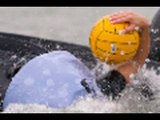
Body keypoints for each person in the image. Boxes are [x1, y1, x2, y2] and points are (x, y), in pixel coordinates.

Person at [2, 10, 157, 110]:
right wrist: (144, 28)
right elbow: (133, 65)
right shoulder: (94, 96)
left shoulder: (92, 97)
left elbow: (133, 65)